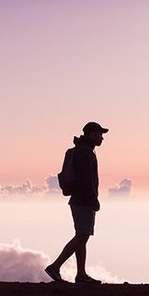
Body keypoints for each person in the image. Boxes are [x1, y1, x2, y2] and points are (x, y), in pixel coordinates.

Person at [45, 121, 108, 284]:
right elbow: (86, 179)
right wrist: (94, 199)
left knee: (82, 235)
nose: (102, 138)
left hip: (79, 199)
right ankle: (55, 266)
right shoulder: (85, 152)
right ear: (92, 134)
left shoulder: (82, 150)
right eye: (100, 134)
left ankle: (81, 275)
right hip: (83, 200)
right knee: (83, 235)